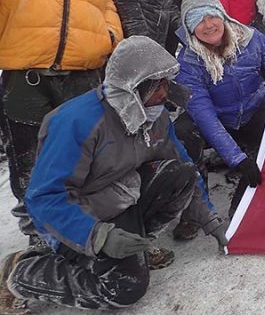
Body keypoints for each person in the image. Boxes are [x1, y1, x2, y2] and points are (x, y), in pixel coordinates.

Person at [0, 36, 226, 311]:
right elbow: (44, 198)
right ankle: (24, 271)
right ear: (135, 89)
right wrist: (98, 237)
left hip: (120, 196)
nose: (166, 93)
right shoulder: (77, 122)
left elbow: (181, 161)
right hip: (75, 216)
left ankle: (134, 247)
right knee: (125, 288)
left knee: (182, 174)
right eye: (159, 85)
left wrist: (211, 221)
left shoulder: (154, 114)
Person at [0, 0, 123, 243]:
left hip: (83, 72)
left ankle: (86, 226)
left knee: (85, 156)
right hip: (26, 72)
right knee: (31, 163)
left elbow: (108, 3)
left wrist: (110, 37)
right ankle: (41, 235)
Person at [176, 0, 265, 216]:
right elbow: (204, 114)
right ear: (189, 28)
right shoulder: (187, 62)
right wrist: (237, 159)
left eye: (212, 16)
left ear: (223, 16)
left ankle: (245, 201)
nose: (208, 25)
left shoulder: (251, 39)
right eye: (198, 20)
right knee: (182, 132)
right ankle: (197, 210)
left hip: (253, 111)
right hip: (218, 121)